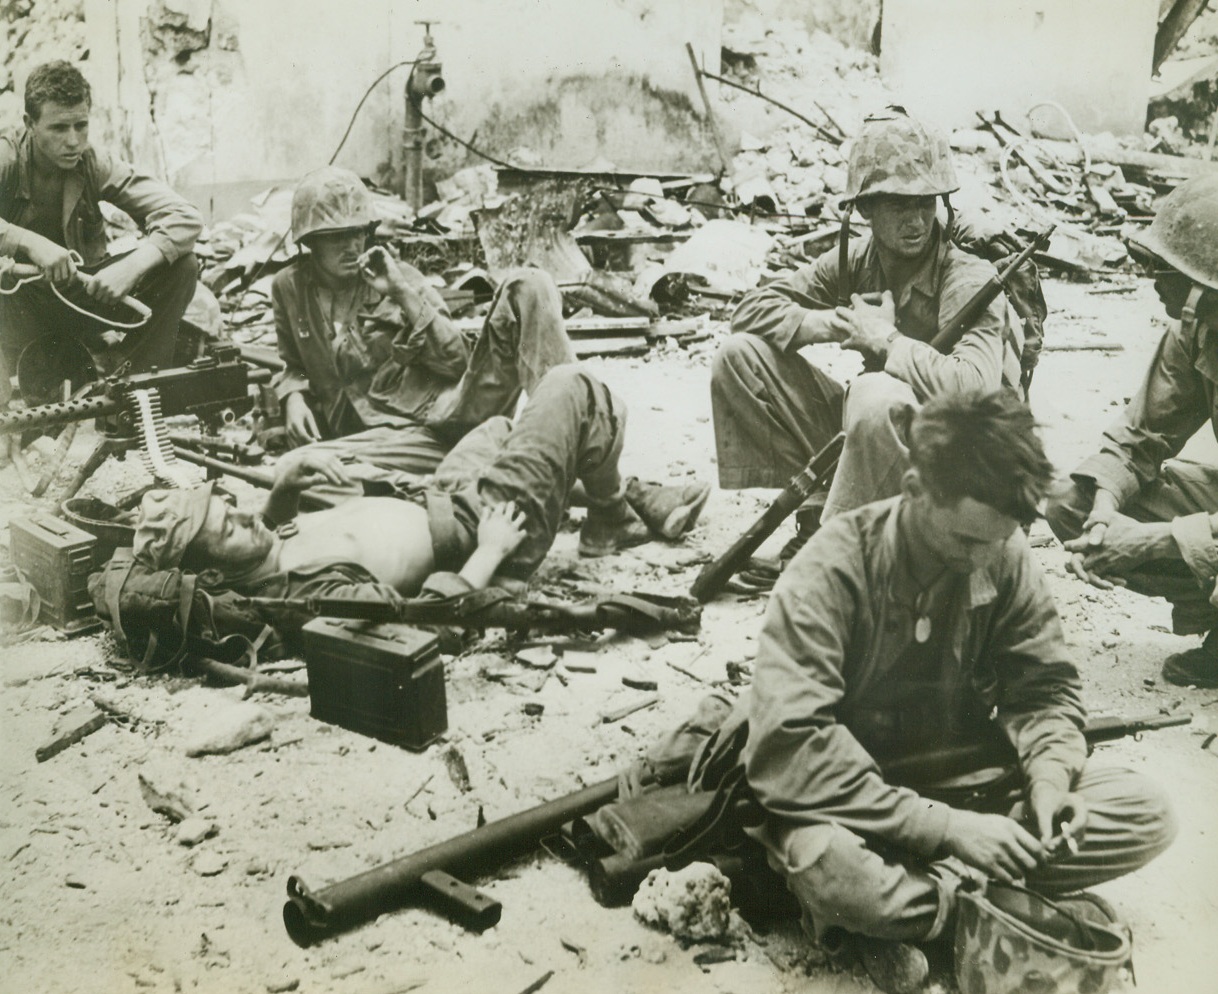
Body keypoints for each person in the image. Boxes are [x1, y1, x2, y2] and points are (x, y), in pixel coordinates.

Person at [742, 390, 1174, 993]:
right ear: (916, 489)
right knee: (834, 871)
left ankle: (921, 912)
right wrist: (946, 831)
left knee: (1144, 811)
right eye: (968, 541)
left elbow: (1045, 689)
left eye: (1000, 539)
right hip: (851, 803)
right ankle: (970, 910)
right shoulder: (828, 574)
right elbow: (791, 749)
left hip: (969, 789)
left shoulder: (1000, 551)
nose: (985, 560)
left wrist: (1048, 782)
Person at [711, 107, 1023, 571]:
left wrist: (886, 342)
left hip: (967, 468)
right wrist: (834, 325)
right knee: (739, 357)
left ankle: (850, 555)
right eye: (898, 203)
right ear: (864, 209)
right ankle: (820, 507)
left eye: (926, 202)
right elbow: (750, 311)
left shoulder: (966, 274)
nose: (916, 219)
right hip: (887, 440)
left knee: (874, 392)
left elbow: (975, 389)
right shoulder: (856, 260)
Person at [132, 366, 710, 608]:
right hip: (480, 526)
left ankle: (619, 505)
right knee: (568, 387)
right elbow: (424, 619)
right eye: (225, 527)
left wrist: (283, 485)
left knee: (499, 429)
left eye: (227, 506)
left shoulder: (261, 553)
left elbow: (270, 528)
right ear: (209, 574)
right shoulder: (305, 597)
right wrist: (488, 555)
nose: (243, 515)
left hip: (439, 491)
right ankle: (612, 510)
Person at [272, 165, 575, 476]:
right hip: (386, 442)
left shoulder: (394, 276)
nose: (352, 246)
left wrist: (402, 293)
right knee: (294, 469)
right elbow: (292, 364)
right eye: (337, 237)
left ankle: (566, 441)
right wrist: (292, 396)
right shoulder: (289, 288)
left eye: (358, 232)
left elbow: (460, 362)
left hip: (454, 413)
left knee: (530, 284)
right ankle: (498, 464)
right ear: (311, 241)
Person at [1046, 174, 1218, 689]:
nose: (1153, 280)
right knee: (1070, 503)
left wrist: (1150, 541)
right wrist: (1104, 513)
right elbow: (1140, 436)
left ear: (1205, 281)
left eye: (1167, 269)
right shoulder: (1198, 326)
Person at [0, 60, 202, 407]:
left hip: (81, 302)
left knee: (182, 265)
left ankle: (131, 395)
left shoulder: (94, 163)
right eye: (59, 128)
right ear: (29, 124)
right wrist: (29, 242)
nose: (73, 141)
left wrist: (134, 265)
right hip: (17, 311)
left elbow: (184, 215)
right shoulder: (7, 159)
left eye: (81, 125)